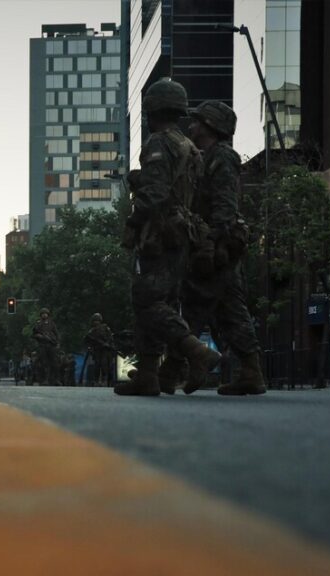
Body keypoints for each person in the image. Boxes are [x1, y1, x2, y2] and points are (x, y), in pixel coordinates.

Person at [116, 78, 222, 396]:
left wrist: (134, 222)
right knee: (161, 302)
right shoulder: (189, 147)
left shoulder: (159, 143)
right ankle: (148, 375)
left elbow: (157, 193)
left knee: (147, 300)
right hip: (183, 235)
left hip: (160, 234)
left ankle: (195, 351)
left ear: (154, 110)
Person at [173, 100, 266, 396]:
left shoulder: (222, 157)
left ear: (211, 126)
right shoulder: (206, 156)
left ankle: (178, 368)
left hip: (217, 247)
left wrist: (211, 244)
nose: (192, 126)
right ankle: (248, 372)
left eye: (198, 122)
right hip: (211, 244)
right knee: (225, 310)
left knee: (199, 308)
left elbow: (225, 206)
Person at [84, 312, 116, 387]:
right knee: (97, 365)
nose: (96, 322)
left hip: (105, 350)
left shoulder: (105, 328)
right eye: (95, 320)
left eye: (97, 320)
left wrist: (107, 344)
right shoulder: (92, 331)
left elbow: (110, 338)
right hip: (97, 350)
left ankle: (105, 380)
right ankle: (96, 380)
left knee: (104, 365)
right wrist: (91, 347)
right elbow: (87, 340)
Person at [32, 308, 61, 386]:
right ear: (41, 315)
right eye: (43, 313)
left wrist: (58, 343)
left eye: (46, 313)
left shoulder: (52, 323)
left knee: (55, 362)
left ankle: (56, 379)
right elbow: (34, 334)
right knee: (44, 363)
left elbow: (56, 333)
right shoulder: (38, 324)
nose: (44, 315)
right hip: (42, 345)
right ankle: (45, 379)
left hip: (51, 345)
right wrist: (39, 336)